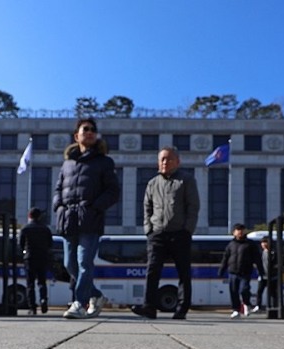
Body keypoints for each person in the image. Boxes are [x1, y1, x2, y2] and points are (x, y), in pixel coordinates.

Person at [52, 117, 121, 319]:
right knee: (69, 265)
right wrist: (58, 206)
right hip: (68, 219)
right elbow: (58, 188)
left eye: (93, 130)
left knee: (84, 263)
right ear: (77, 135)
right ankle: (96, 296)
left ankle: (79, 304)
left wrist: (94, 207)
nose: (89, 132)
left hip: (90, 220)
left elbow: (113, 191)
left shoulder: (104, 162)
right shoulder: (67, 163)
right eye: (85, 129)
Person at [130, 146, 200, 320]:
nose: (164, 162)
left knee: (183, 272)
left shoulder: (186, 180)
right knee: (152, 270)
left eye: (168, 159)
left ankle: (182, 308)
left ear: (177, 161)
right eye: (162, 159)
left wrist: (187, 229)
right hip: (157, 234)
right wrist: (149, 229)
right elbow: (147, 207)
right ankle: (149, 307)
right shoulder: (152, 183)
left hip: (179, 233)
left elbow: (193, 206)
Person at [218, 223, 265, 319]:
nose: (240, 232)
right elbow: (225, 258)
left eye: (242, 230)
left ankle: (246, 304)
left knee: (244, 289)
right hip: (232, 272)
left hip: (245, 272)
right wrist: (221, 270)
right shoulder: (231, 244)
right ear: (234, 232)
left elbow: (257, 259)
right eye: (238, 230)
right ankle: (236, 310)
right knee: (233, 292)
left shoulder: (250, 244)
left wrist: (261, 271)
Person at [19, 207, 53, 316]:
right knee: (42, 282)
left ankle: (32, 307)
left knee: (30, 284)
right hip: (42, 257)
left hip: (29, 258)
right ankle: (43, 300)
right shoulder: (45, 229)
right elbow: (50, 244)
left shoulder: (25, 229)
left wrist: (25, 252)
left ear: (29, 216)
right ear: (40, 216)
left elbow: (20, 244)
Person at [253, 236, 271, 312]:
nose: (263, 244)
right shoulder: (260, 252)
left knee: (272, 292)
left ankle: (271, 305)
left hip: (271, 276)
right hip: (262, 275)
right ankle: (258, 306)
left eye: (265, 242)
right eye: (262, 242)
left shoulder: (273, 252)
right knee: (259, 291)